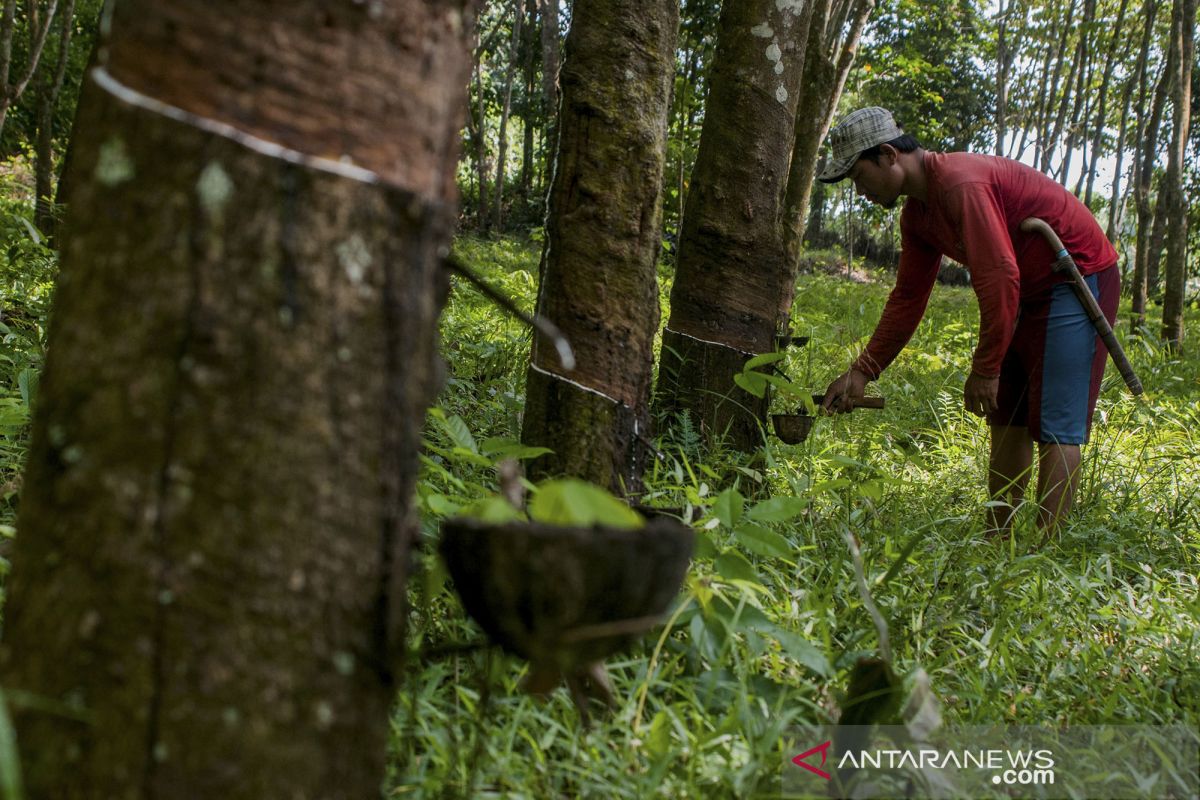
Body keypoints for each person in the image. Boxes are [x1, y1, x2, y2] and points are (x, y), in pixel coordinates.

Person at [817, 107, 1119, 535]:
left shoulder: (961, 183)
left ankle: (1045, 550)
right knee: (1006, 413)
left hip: (1075, 277)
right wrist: (862, 372)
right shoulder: (917, 215)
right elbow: (908, 297)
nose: (859, 189)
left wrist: (985, 367)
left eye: (858, 175)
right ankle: (1001, 541)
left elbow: (999, 274)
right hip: (1021, 294)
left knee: (1056, 422)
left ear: (887, 155)